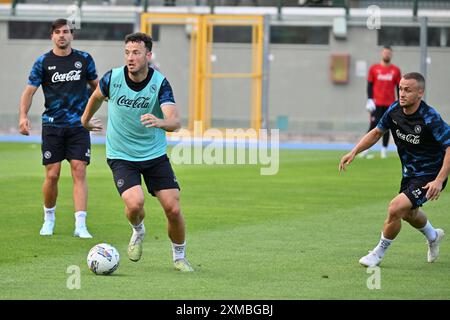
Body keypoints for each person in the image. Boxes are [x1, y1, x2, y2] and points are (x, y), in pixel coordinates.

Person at [81, 32, 193, 272]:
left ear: (148, 56)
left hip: (154, 155)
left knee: (172, 208)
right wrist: (85, 120)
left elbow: (175, 122)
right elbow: (96, 97)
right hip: (121, 155)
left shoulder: (160, 83)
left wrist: (160, 122)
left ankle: (179, 257)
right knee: (135, 205)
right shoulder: (113, 78)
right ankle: (138, 230)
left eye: (136, 53)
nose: (130, 58)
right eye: (127, 53)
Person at [339, 72, 450, 267]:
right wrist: (354, 152)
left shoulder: (430, 117)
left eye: (408, 90)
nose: (402, 93)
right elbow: (376, 132)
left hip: (430, 174)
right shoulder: (394, 110)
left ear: (420, 93)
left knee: (395, 208)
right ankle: (433, 237)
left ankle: (377, 254)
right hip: (410, 174)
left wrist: (439, 180)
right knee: (409, 213)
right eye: (400, 89)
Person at [19, 19, 98, 238]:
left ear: (72, 35)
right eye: (57, 32)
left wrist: (93, 114)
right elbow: (29, 92)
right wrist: (23, 116)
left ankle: (80, 225)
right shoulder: (43, 62)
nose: (62, 35)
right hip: (52, 126)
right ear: (52, 36)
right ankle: (49, 219)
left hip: (78, 126)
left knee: (79, 170)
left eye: (66, 32)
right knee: (52, 175)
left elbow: (98, 89)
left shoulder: (84, 60)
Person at [361, 45, 401, 159]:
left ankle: (384, 150)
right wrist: (369, 99)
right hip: (376, 103)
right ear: (382, 54)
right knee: (373, 125)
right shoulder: (374, 69)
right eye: (385, 52)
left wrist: (399, 102)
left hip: (389, 104)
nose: (387, 54)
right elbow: (369, 85)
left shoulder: (395, 70)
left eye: (389, 53)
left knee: (387, 126)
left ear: (391, 55)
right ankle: (365, 149)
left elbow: (399, 87)